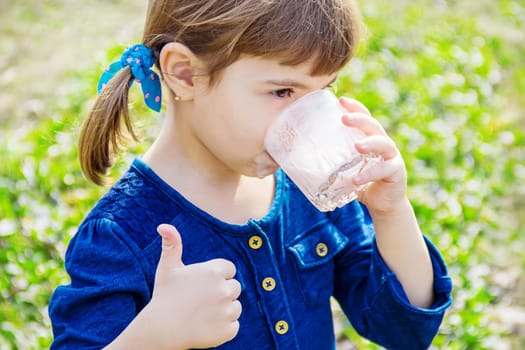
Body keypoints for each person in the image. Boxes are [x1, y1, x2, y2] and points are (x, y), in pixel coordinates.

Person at [49, 0, 453, 349]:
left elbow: (403, 331)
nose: (305, 120)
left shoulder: (307, 185)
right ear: (185, 74)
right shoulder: (119, 236)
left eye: (322, 92)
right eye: (282, 92)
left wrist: (392, 213)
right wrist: (155, 335)